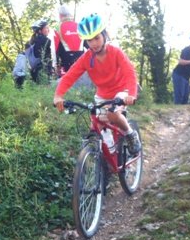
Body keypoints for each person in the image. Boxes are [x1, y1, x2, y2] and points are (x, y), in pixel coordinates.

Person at [53, 13, 141, 155]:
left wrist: (131, 94)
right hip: (102, 94)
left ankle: (130, 134)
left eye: (97, 38)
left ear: (104, 35)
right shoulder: (86, 58)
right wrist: (58, 95)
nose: (94, 43)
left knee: (112, 114)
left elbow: (129, 72)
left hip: (121, 90)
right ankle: (110, 153)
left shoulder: (115, 52)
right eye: (89, 40)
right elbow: (69, 76)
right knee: (97, 121)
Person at [53, 5, 84, 76]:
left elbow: (57, 49)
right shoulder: (79, 26)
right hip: (81, 58)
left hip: (66, 59)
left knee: (70, 81)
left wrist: (57, 65)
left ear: (60, 15)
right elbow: (87, 44)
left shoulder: (58, 28)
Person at [29, 20, 53, 84]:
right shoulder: (46, 40)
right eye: (46, 28)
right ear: (40, 30)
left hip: (34, 71)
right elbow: (52, 56)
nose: (48, 30)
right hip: (44, 70)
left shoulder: (31, 42)